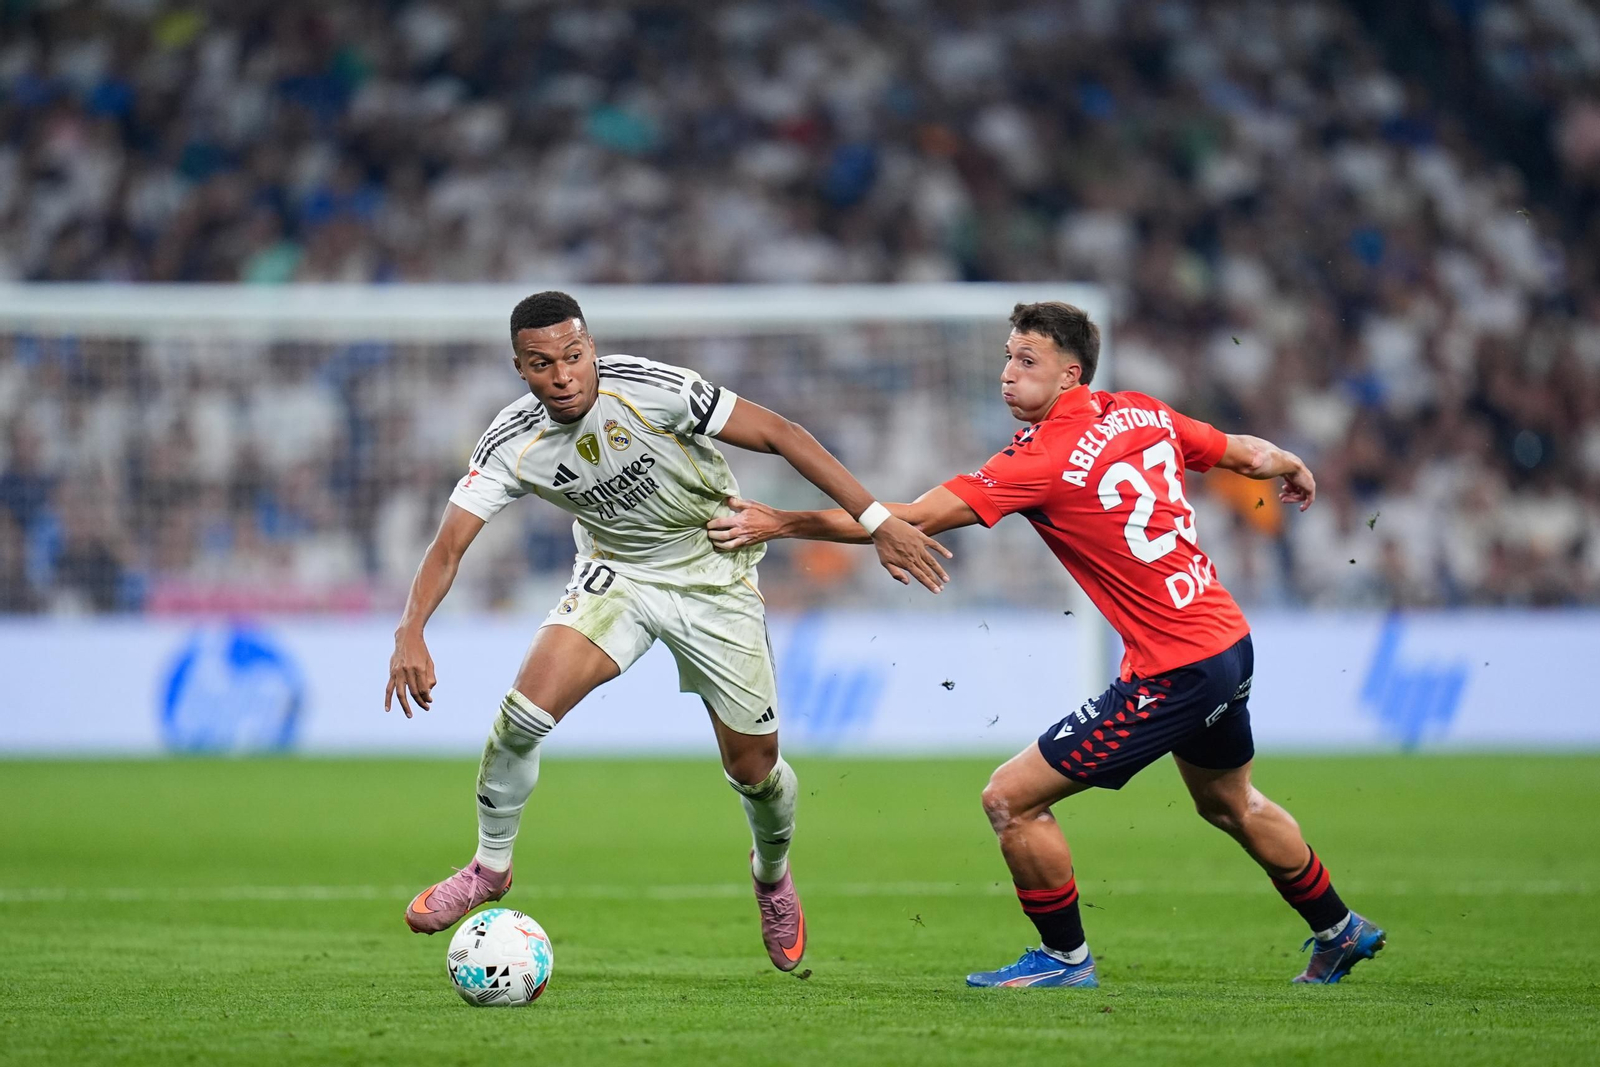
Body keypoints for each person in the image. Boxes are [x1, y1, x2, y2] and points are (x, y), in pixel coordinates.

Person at [706, 301, 1386, 987]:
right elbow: (1241, 451)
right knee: (1230, 802)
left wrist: (782, 521)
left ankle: (1065, 959)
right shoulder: (1144, 411)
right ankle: (1340, 928)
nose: (1006, 373)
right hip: (1227, 642)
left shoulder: (1044, 458)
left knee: (1011, 798)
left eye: (1025, 360)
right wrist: (1289, 461)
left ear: (1069, 374)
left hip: (1176, 669)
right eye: (1007, 355)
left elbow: (905, 517)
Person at [386, 290, 950, 972]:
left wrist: (876, 521)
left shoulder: (655, 390)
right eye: (543, 364)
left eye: (573, 355)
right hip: (616, 575)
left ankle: (771, 873)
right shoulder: (511, 442)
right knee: (521, 715)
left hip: (714, 568)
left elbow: (783, 434)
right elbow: (448, 546)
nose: (563, 375)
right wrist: (411, 628)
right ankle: (489, 867)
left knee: (755, 770)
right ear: (519, 368)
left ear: (591, 348)